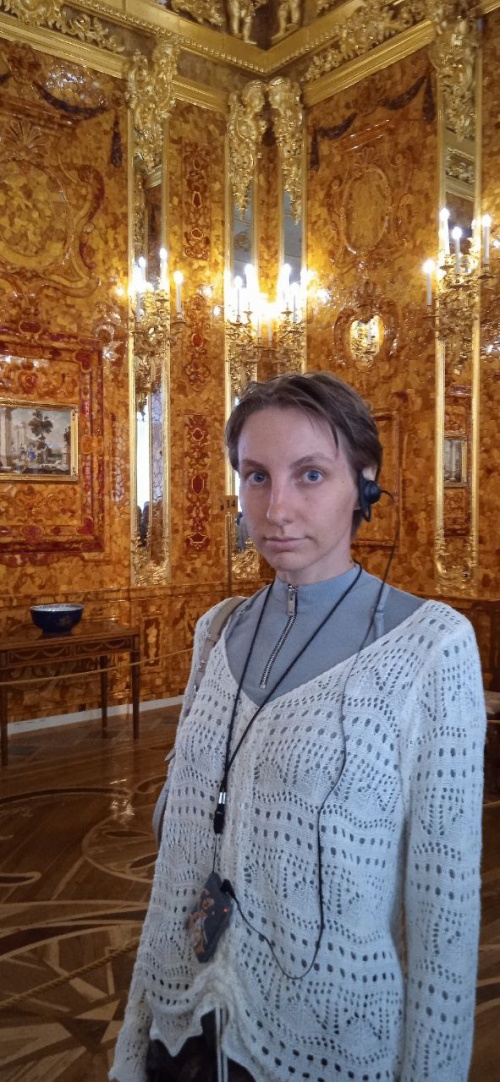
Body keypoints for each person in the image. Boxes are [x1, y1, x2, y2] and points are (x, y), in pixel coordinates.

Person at [110, 372, 486, 1082]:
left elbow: (445, 908)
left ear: (364, 485)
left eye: (310, 474)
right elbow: (179, 841)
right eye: (256, 476)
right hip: (182, 1022)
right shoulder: (218, 630)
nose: (276, 508)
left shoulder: (429, 648)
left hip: (325, 1036)